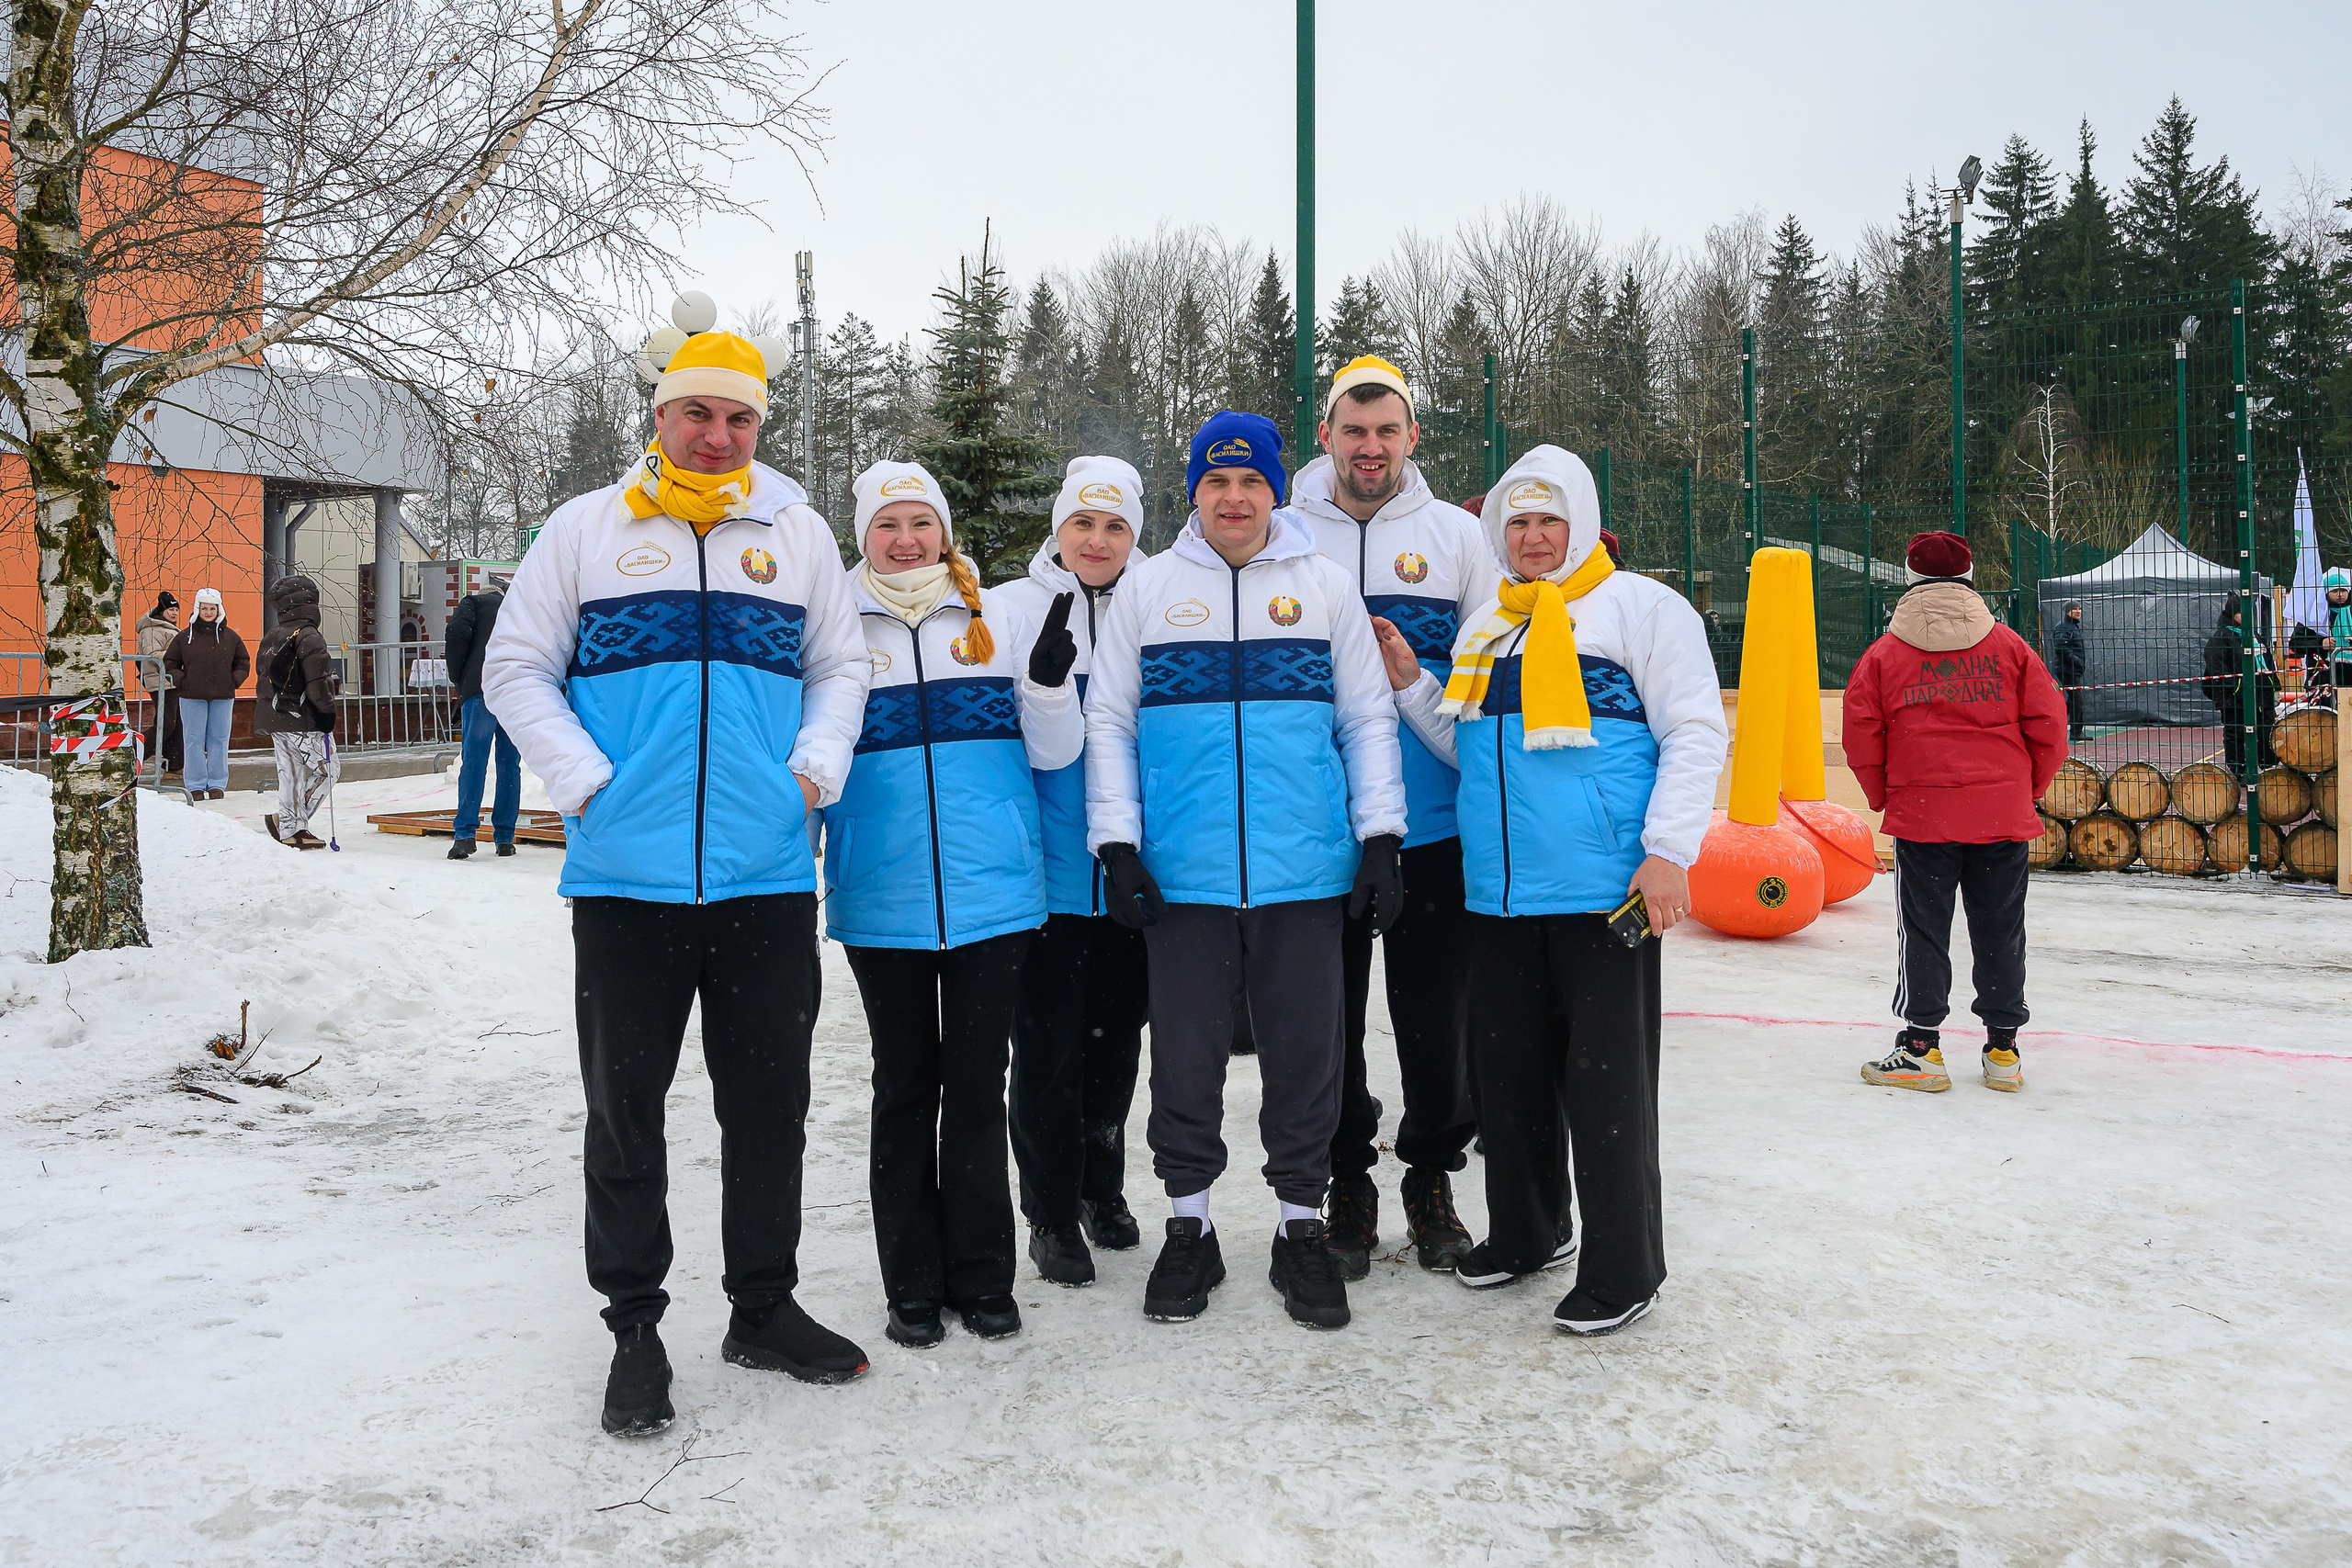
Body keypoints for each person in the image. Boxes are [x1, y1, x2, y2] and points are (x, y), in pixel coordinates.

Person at [482, 325, 875, 1438]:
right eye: (696, 414)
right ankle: (635, 1327)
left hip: (760, 876)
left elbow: (840, 665)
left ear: (759, 427)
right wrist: (583, 776)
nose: (716, 436)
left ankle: (762, 1307)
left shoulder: (794, 536)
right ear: (658, 418)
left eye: (738, 417)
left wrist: (815, 766)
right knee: (626, 1115)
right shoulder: (586, 531)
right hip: (626, 881)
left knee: (769, 1109)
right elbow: (514, 665)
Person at [1388, 446, 1725, 1337]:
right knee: (1509, 1080)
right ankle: (1527, 1233)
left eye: (1548, 521)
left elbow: (1694, 731)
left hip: (1601, 892)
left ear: (1579, 524)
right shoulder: (1485, 628)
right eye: (1518, 524)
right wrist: (1413, 687)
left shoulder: (1641, 610)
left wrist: (1667, 851)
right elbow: (1471, 749)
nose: (1533, 539)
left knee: (1606, 1086)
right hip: (1497, 895)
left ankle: (1626, 1269)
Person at [1086, 410, 1408, 1332]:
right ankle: (1189, 1227)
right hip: (1182, 876)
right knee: (1184, 1057)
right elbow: (1111, 721)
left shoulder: (1322, 587)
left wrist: (1379, 836)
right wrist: (1117, 845)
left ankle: (1299, 1226)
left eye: (1252, 482)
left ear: (1277, 488)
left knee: (1307, 1056)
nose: (1234, 499)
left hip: (1303, 871)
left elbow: (1365, 719)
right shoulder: (1150, 589)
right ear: (1194, 492)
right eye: (1217, 483)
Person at [813, 459, 1080, 1348]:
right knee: (903, 1088)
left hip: (993, 894)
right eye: (887, 525)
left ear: (943, 529)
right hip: (880, 894)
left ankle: (983, 1277)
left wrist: (1044, 685)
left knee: (974, 1086)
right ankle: (912, 1284)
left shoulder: (994, 617)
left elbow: (1052, 753)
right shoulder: (834, 622)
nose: (905, 540)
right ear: (863, 535)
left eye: (919, 523)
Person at [1290, 355, 1491, 1278]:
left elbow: (1489, 695)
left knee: (1437, 1020)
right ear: (1325, 436)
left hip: (1436, 825)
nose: (1368, 449)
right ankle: (1346, 1176)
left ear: (1412, 437)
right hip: (1318, 829)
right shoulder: (1285, 533)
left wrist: (1420, 682)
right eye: (1351, 430)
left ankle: (1430, 1173)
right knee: (1325, 1020)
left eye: (1386, 431)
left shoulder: (1458, 540)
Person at [1000, 457, 1152, 1287]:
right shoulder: (1012, 608)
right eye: (1083, 524)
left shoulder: (1157, 605)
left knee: (1117, 1046)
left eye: (1116, 526)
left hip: (1131, 875)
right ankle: (1050, 1213)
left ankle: (1103, 1186)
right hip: (1049, 878)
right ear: (1058, 528)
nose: (1098, 541)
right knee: (1049, 1051)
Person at [1845, 532, 2067, 1096]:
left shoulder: (1883, 654)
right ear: (1971, 576)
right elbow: (2050, 727)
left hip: (1924, 815)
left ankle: (1921, 1047)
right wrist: (2026, 789)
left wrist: (1883, 796)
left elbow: (1861, 734)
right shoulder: (2011, 647)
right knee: (2001, 929)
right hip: (2001, 814)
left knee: (1923, 928)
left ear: (1909, 577)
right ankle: (2002, 1050)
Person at [253, 575, 341, 849]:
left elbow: (265, 675)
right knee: (328, 770)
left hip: (277, 714)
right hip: (303, 716)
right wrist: (327, 712)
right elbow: (316, 682)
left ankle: (291, 827)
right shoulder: (310, 636)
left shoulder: (274, 634)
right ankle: (290, 822)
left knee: (291, 774)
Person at [440, 582, 521, 859]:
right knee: (509, 764)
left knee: (474, 761)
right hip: (513, 691)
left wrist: (459, 677)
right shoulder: (518, 607)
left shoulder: (473, 604)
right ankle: (505, 838)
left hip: (480, 689)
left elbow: (456, 634)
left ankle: (465, 835)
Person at [164, 588, 249, 801]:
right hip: (191, 696)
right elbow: (170, 663)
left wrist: (234, 680)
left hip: (223, 696)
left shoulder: (231, 637)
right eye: (204, 608)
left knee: (219, 740)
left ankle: (217, 784)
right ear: (197, 609)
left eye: (212, 608)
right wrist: (181, 680)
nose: (208, 612)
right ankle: (194, 785)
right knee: (193, 740)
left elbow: (243, 662)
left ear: (219, 609)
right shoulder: (184, 637)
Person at [2202, 599, 2277, 773]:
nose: (2247, 617)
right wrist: (2235, 689)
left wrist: (2274, 688)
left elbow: (2267, 663)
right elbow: (2217, 669)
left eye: (2250, 612)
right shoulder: (2221, 638)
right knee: (2236, 734)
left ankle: (2268, 766)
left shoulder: (2255, 636)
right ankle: (2239, 769)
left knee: (2266, 730)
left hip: (2261, 694)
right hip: (2234, 698)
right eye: (2241, 612)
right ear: (2231, 614)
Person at [135, 592, 184, 775]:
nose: (174, 613)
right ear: (161, 610)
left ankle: (174, 765)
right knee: (167, 723)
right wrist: (178, 656)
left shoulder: (168, 628)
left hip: (172, 681)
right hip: (160, 680)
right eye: (170, 609)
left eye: (176, 610)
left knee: (176, 722)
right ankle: (134, 755)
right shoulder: (152, 629)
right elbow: (152, 654)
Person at [2048, 601, 2086, 741]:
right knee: (2077, 700)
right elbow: (2061, 648)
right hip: (2067, 669)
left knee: (2072, 699)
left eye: (2079, 608)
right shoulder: (2064, 627)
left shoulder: (2073, 626)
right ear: (2067, 611)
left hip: (2072, 669)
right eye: (2075, 609)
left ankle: (2057, 723)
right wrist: (2076, 661)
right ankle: (2076, 732)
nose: (2078, 611)